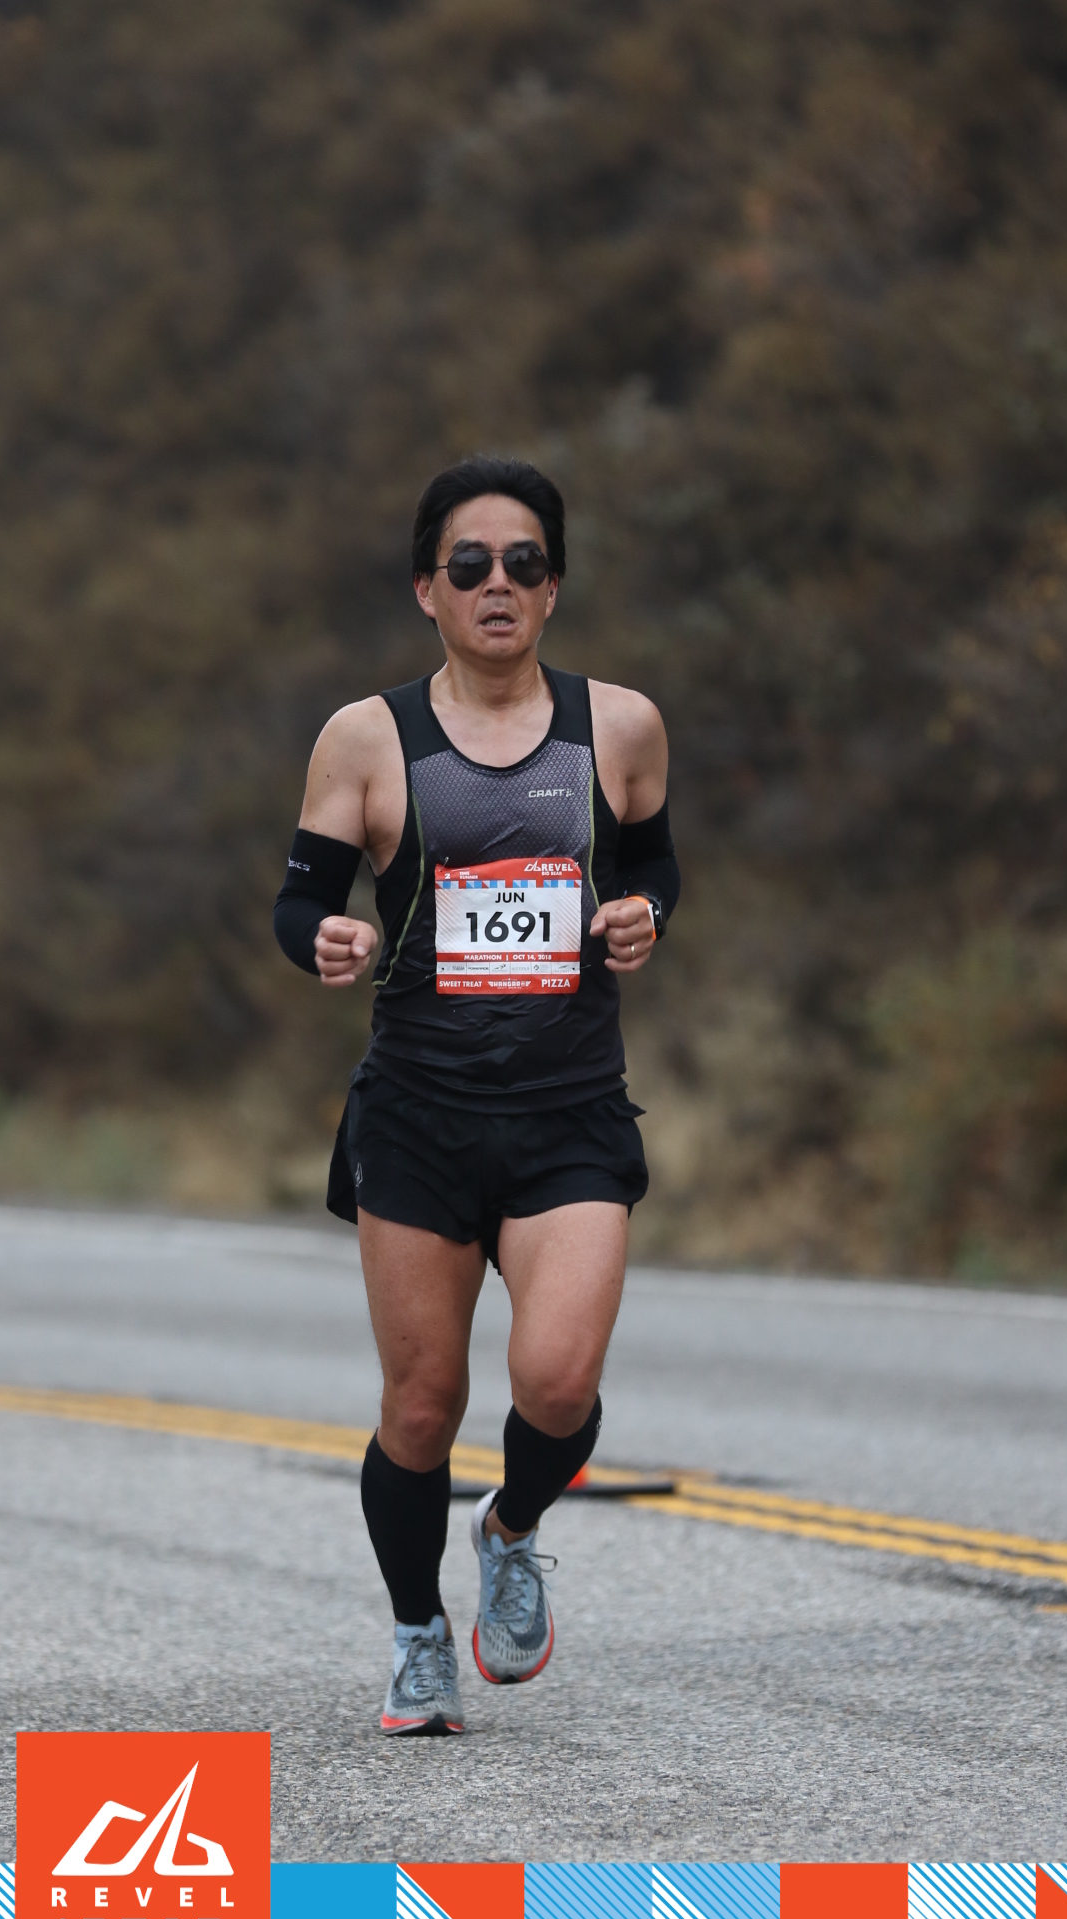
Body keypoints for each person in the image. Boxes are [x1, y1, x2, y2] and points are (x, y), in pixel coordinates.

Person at [274, 456, 679, 1735]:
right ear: (426, 589)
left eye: (522, 563)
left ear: (552, 588)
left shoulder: (619, 727)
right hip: (417, 1116)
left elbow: (655, 865)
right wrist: (323, 938)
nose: (495, 583)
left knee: (555, 1384)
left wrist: (642, 913)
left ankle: (508, 1529)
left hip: (569, 1111)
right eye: (468, 564)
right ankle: (416, 1635)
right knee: (420, 1406)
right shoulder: (365, 738)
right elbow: (301, 898)